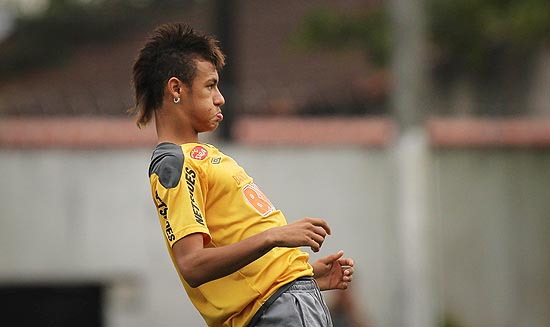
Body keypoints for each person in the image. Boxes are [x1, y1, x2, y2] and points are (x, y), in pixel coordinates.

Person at [130, 22, 355, 327]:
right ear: (176, 89)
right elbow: (193, 264)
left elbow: (232, 243)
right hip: (276, 312)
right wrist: (275, 237)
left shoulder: (206, 157)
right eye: (210, 86)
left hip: (287, 303)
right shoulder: (174, 163)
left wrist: (304, 273)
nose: (220, 97)